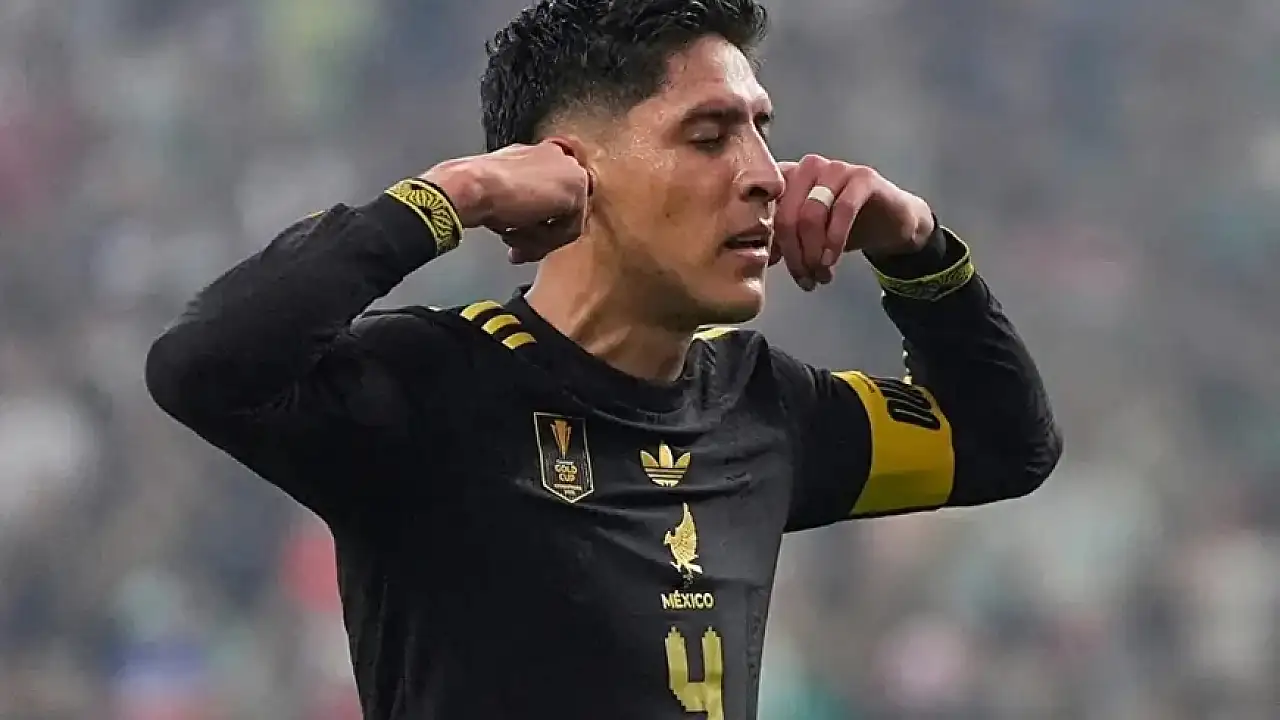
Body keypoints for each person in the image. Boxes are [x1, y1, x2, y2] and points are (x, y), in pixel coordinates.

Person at [145, 0, 1062, 717]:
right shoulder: (432, 388)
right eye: (709, 136)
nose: (763, 174)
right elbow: (203, 366)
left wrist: (918, 249)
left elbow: (1004, 445)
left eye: (761, 129)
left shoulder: (764, 406)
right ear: (567, 168)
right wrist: (451, 197)